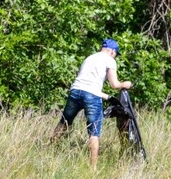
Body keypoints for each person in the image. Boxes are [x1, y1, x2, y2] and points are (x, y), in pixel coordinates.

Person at [51, 39, 132, 169]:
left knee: (64, 122)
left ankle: (51, 148)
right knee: (94, 131)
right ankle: (93, 169)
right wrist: (126, 84)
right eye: (116, 53)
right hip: (92, 97)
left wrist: (108, 97)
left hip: (75, 92)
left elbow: (85, 85)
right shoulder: (110, 60)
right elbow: (114, 84)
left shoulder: (89, 58)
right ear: (112, 51)